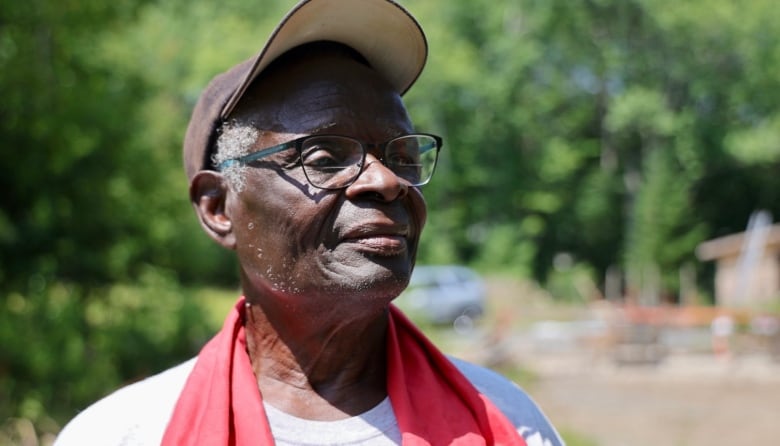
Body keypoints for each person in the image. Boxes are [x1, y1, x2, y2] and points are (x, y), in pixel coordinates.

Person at [54, 0, 564, 444]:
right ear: (217, 207)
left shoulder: (509, 424)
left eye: (401, 154)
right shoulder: (127, 434)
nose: (387, 181)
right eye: (323, 157)